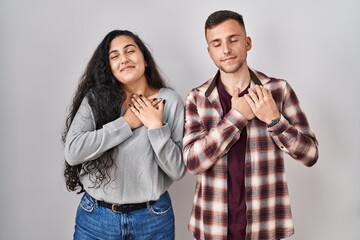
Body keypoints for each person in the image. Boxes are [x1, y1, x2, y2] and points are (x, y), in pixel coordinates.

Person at [183, 10, 319, 240]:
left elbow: (310, 154)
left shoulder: (278, 90)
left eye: (233, 40)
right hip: (212, 225)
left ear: (247, 43)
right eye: (216, 44)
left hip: (265, 226)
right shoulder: (197, 98)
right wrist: (237, 116)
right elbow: (193, 162)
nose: (225, 50)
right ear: (209, 51)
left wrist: (275, 120)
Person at [62, 29, 186, 240]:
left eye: (130, 51)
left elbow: (177, 170)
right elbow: (73, 152)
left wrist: (156, 126)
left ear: (145, 60)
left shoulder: (170, 101)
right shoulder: (95, 100)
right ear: (109, 67)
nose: (124, 59)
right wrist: (126, 123)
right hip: (96, 220)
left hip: (153, 220)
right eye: (115, 56)